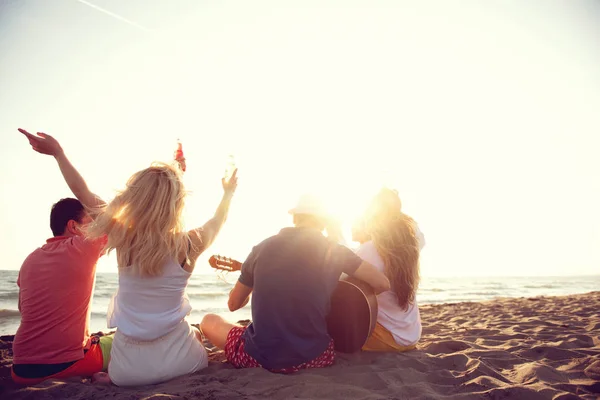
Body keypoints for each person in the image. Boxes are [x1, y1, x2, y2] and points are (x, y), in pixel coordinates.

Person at [16, 128, 238, 386]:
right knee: (197, 334)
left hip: (126, 372)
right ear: (177, 203)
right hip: (183, 363)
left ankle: (107, 379)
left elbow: (83, 194)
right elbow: (218, 219)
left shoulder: (123, 236)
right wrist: (227, 193)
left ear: (135, 199)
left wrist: (58, 154)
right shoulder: (190, 244)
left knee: (159, 343)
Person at [200, 194, 391, 373]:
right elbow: (382, 284)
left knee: (208, 321)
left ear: (294, 218)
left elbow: (233, 305)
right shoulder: (336, 251)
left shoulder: (262, 248)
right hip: (317, 357)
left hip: (261, 358)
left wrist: (253, 283)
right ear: (324, 222)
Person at [11, 195, 110, 384]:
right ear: (74, 227)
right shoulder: (83, 246)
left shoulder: (30, 259)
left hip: (21, 370)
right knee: (120, 344)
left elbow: (23, 309)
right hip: (66, 364)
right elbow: (114, 218)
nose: (96, 229)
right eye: (91, 223)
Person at [354, 188, 426, 352]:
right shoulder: (413, 246)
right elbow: (418, 233)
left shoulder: (368, 251)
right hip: (411, 337)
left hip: (384, 340)